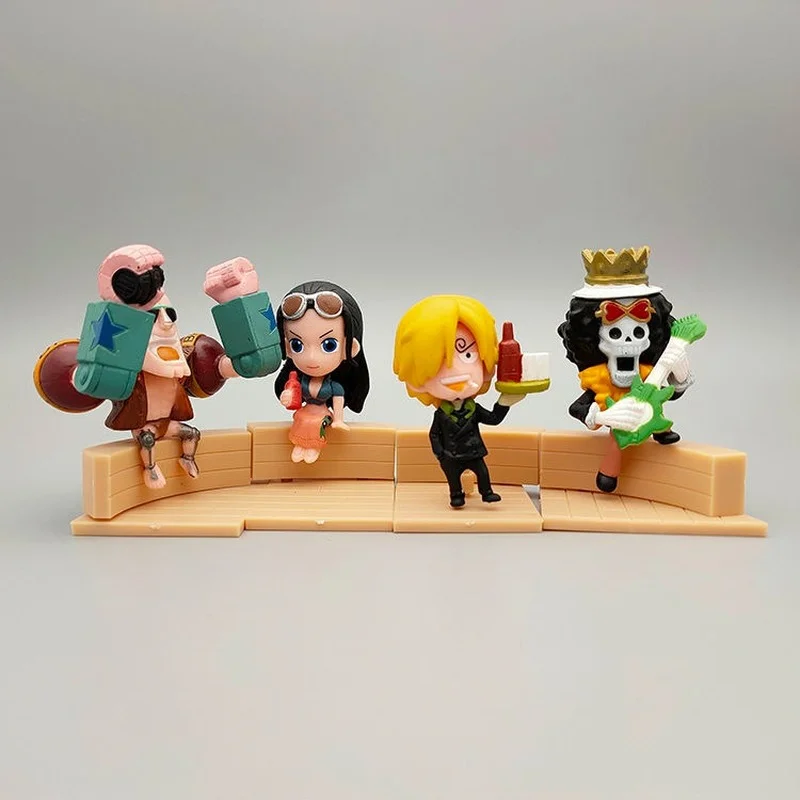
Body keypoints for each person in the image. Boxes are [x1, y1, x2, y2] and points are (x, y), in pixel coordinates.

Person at [273, 281, 370, 463]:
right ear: (287, 348)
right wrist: (288, 396)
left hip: (322, 415)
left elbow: (338, 402)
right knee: (302, 421)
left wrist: (338, 420)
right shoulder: (299, 381)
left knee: (315, 425)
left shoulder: (334, 387)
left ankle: (313, 447)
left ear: (350, 348)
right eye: (297, 345)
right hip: (304, 413)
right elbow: (293, 397)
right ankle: (300, 445)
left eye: (329, 345)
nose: (311, 358)